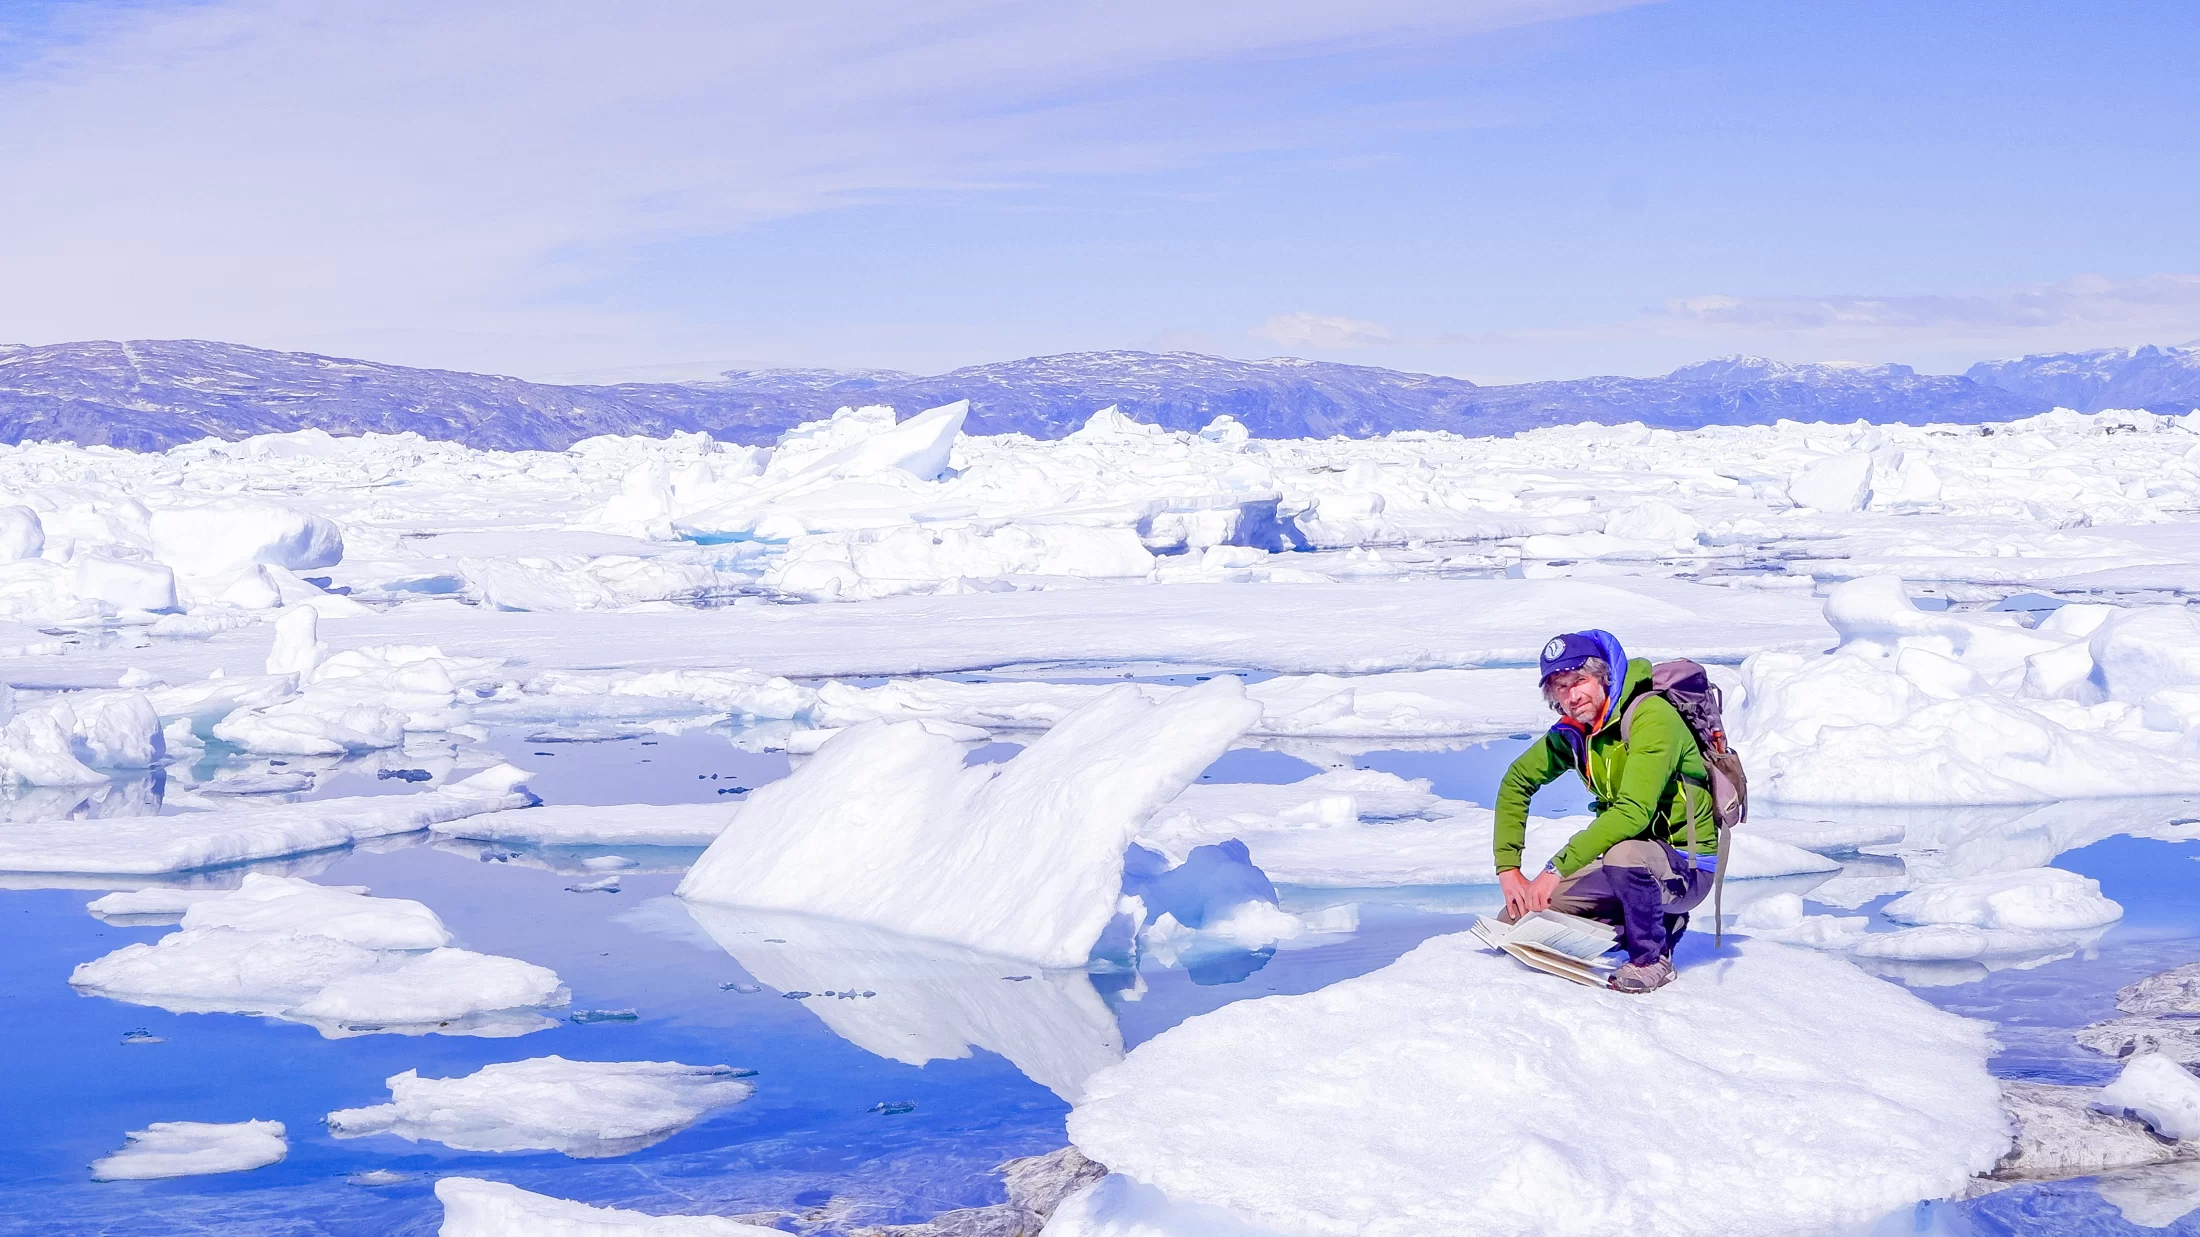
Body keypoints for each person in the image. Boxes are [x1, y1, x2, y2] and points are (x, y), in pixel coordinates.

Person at [1493, 629, 1718, 994]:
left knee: (1623, 853)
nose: (1572, 695)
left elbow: (1633, 813)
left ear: (1603, 676)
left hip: (1686, 866)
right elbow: (1516, 781)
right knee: (1520, 916)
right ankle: (1635, 923)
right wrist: (1508, 869)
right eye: (1561, 687)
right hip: (1626, 865)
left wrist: (1556, 868)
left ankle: (1652, 957)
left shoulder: (1651, 718)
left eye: (1579, 680)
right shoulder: (1576, 732)